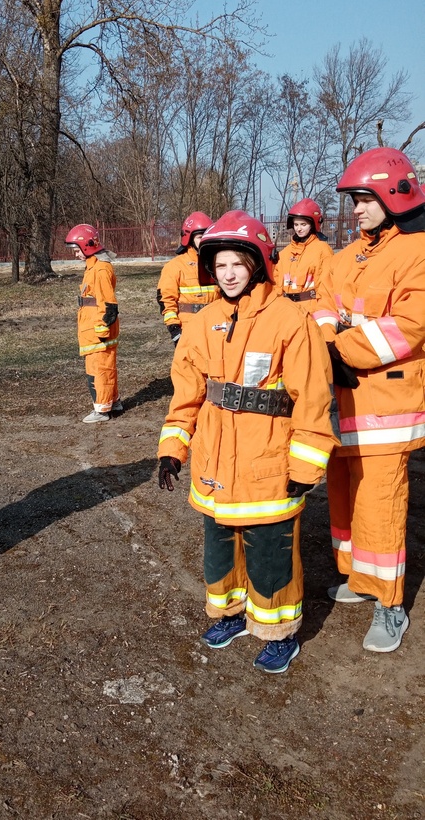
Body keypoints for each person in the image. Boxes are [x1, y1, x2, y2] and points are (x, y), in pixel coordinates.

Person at [158, 211, 336, 674]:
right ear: (209, 271)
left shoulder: (290, 320)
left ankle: (280, 633)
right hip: (215, 468)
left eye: (238, 262)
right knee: (220, 550)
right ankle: (231, 614)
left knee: (271, 557)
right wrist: (172, 451)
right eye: (220, 265)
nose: (229, 273)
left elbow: (313, 399)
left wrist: (304, 467)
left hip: (267, 468)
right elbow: (186, 394)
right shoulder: (202, 323)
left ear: (257, 263)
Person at [312, 147, 425, 653]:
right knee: (345, 494)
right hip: (342, 404)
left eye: (364, 199)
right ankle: (360, 578)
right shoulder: (345, 257)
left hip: (387, 407)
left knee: (380, 504)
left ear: (393, 195)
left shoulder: (418, 252)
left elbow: (409, 325)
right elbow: (320, 308)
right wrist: (327, 343)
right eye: (353, 200)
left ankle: (390, 604)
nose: (355, 209)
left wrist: (341, 348)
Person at [65, 224, 121, 423]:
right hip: (92, 327)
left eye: (76, 250)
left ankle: (102, 409)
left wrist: (102, 327)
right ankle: (113, 402)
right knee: (103, 366)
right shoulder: (93, 267)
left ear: (86, 246)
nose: (75, 254)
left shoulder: (100, 269)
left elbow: (108, 303)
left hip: (98, 329)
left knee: (99, 369)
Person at [156, 212, 218, 346]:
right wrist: (174, 329)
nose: (205, 241)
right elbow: (166, 300)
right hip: (188, 328)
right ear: (189, 238)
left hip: (215, 327)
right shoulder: (174, 267)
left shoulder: (217, 264)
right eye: (201, 237)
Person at [273, 198, 334, 312]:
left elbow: (326, 286)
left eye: (303, 224)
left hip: (310, 309)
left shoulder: (322, 250)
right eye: (296, 224)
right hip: (286, 309)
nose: (299, 229)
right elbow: (276, 282)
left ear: (312, 225)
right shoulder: (285, 253)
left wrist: (322, 313)